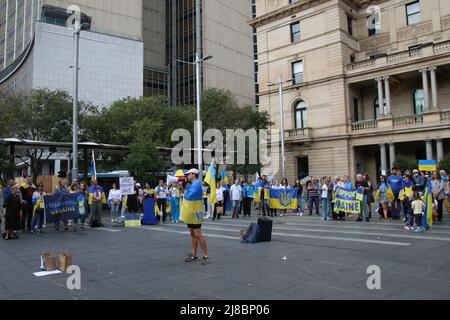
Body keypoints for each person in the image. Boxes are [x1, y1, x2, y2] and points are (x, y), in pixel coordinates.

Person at [182, 169, 209, 265]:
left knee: (197, 233)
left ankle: (205, 255)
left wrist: (184, 193)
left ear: (193, 174)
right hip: (191, 213)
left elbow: (188, 196)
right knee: (193, 233)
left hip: (195, 213)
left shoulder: (196, 184)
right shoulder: (193, 184)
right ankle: (194, 254)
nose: (187, 176)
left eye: (188, 174)